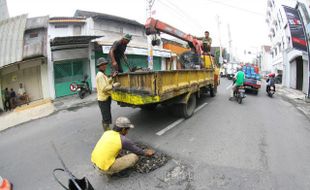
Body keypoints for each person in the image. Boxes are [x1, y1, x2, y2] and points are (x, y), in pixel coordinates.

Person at [96, 57, 120, 131]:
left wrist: (112, 77)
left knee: (107, 116)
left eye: (105, 64)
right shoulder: (100, 75)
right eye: (102, 65)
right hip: (103, 100)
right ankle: (107, 133)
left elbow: (106, 83)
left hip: (106, 99)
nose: (104, 66)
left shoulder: (102, 74)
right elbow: (104, 88)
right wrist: (114, 85)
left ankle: (107, 131)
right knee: (106, 118)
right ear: (99, 66)